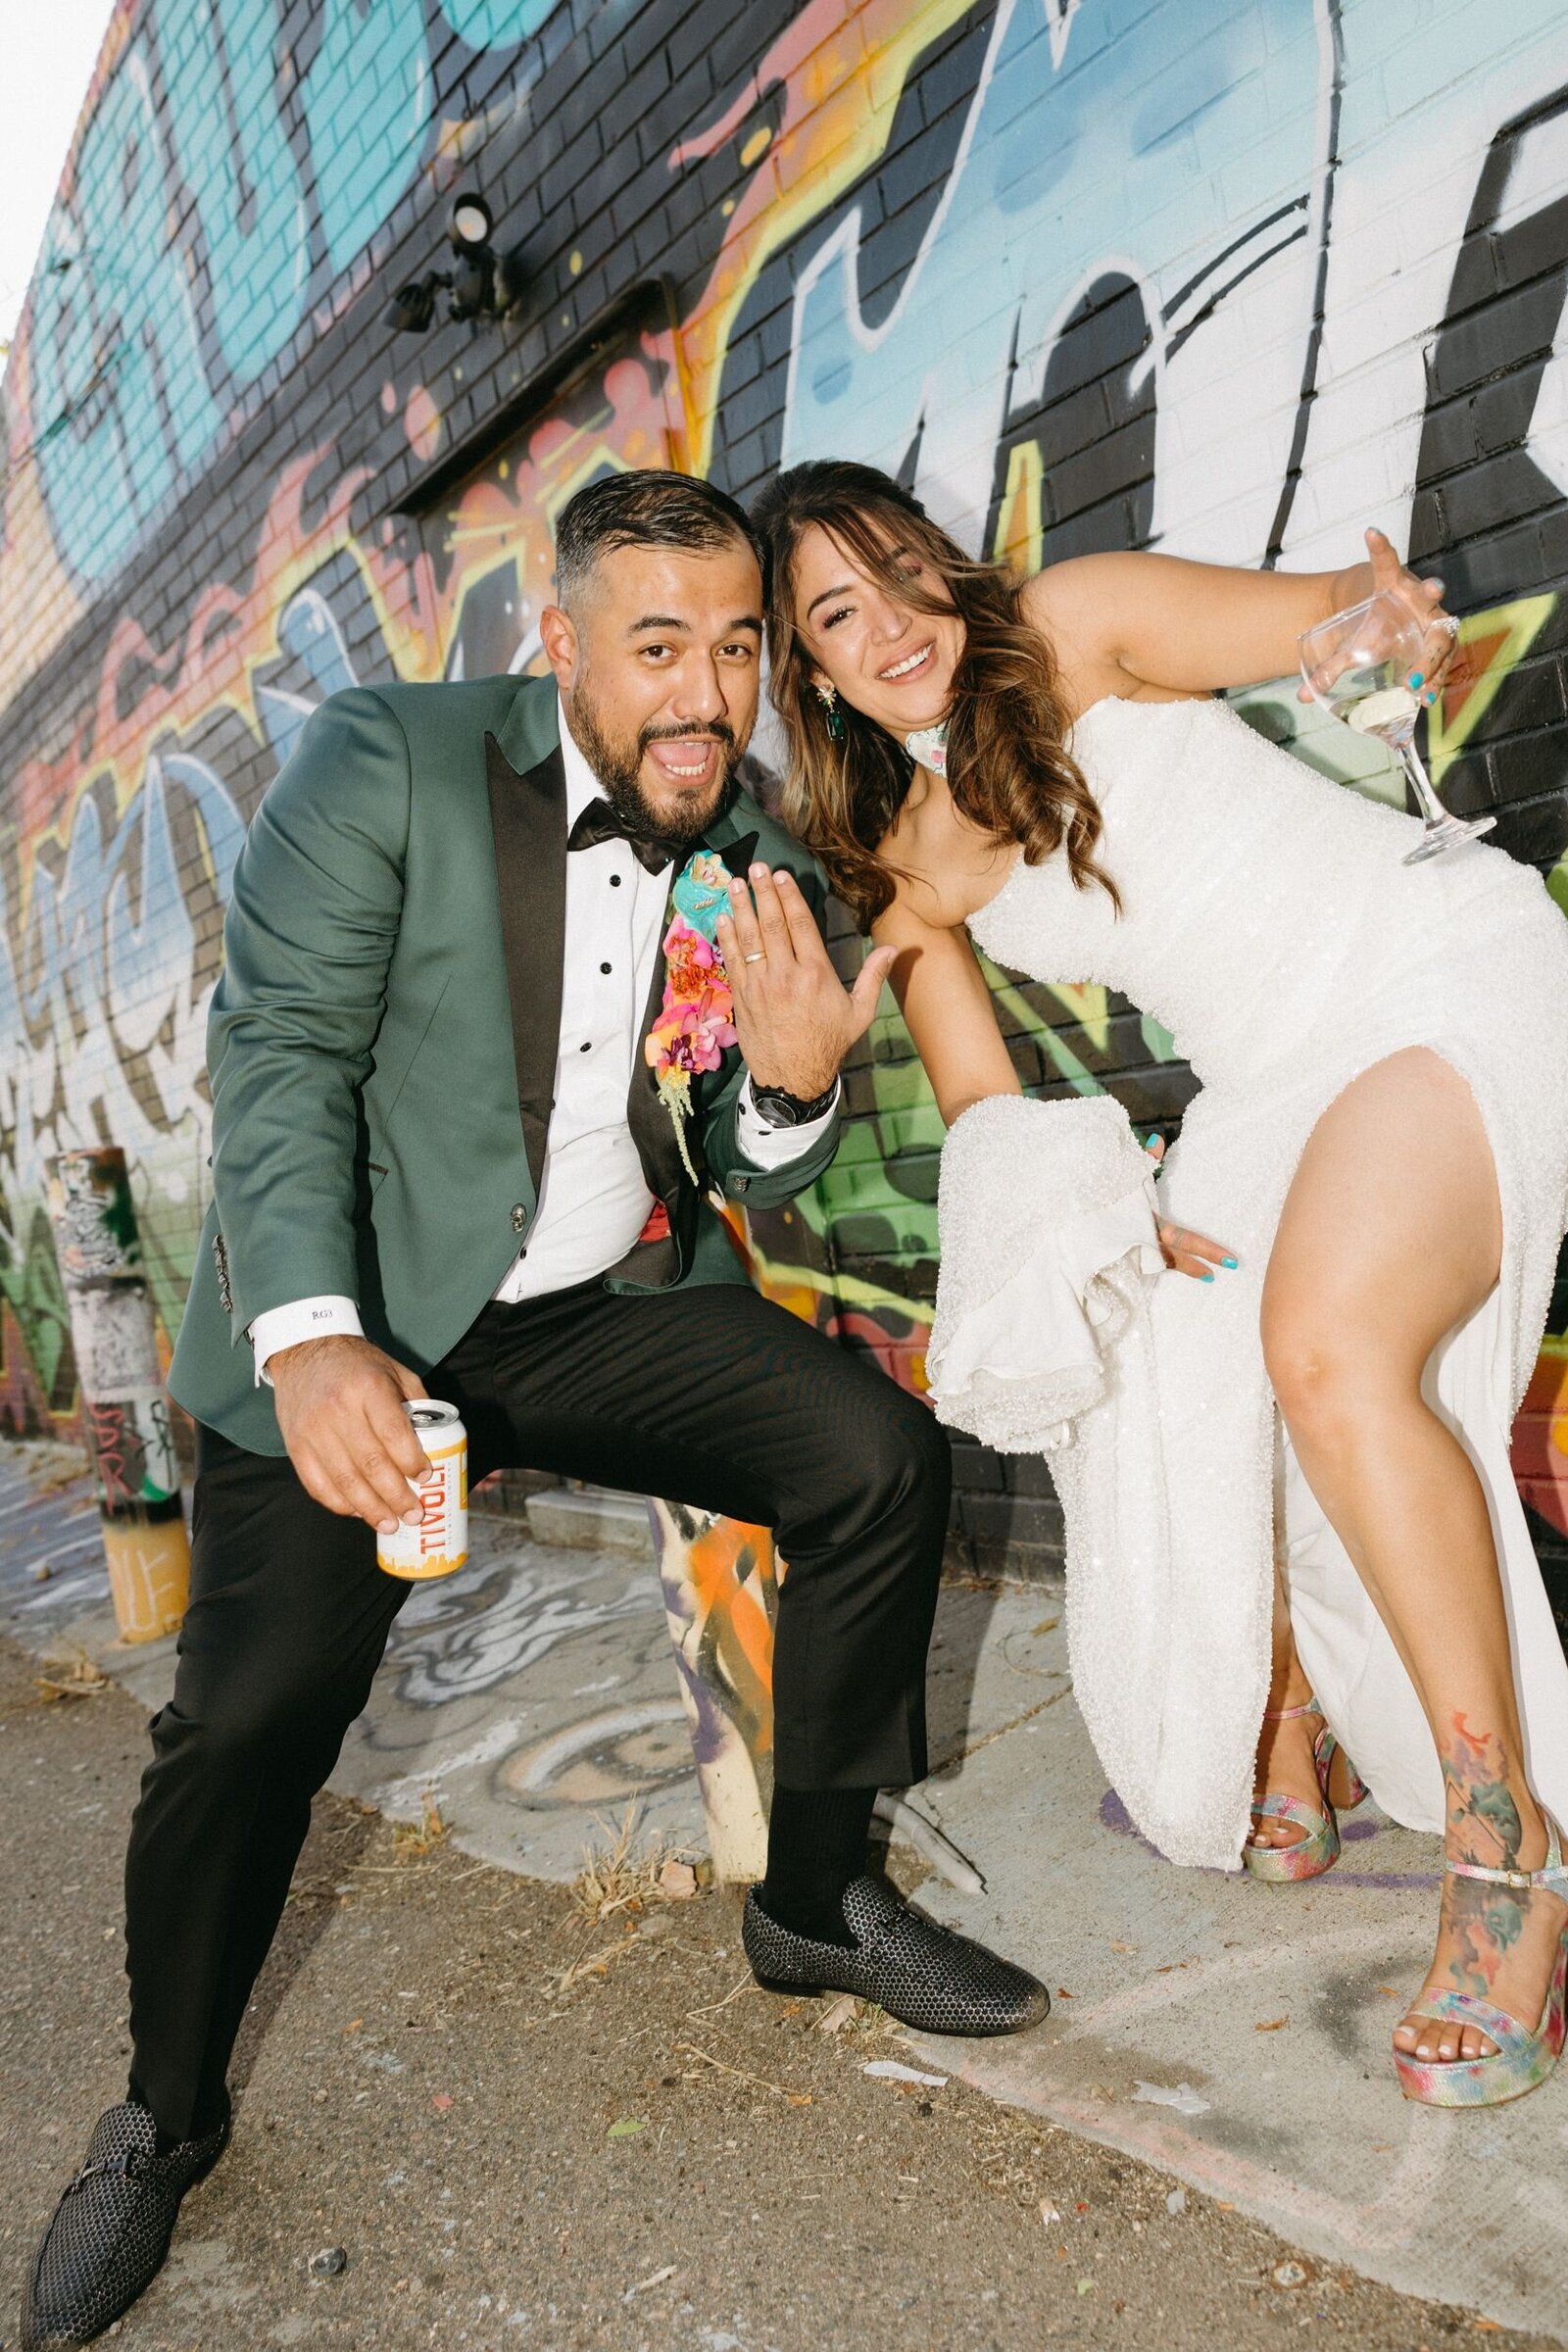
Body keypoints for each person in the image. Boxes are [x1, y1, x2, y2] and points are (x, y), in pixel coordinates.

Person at [22, 470, 1050, 2352]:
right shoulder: (387, 760)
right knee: (249, 1720)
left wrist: (802, 1089)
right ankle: (160, 2123)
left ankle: (814, 1896)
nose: (705, 692)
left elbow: (738, 1143)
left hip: (593, 1311)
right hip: (366, 1319)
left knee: (875, 1464)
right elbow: (283, 1057)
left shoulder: (748, 847)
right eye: (659, 644)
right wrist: (317, 1339)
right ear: (558, 640)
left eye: (738, 646)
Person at [751, 457, 1568, 2111]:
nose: (893, 625)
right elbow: (989, 1112)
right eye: (840, 613)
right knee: (1162, 1340)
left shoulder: (1075, 621)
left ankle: (1507, 1856)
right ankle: (1289, 1709)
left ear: (950, 567)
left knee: (1327, 1348)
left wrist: (1369, 634)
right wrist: (1090, 1198)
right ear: (813, 673)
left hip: (1431, 966)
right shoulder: (907, 860)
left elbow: (1321, 622)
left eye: (904, 573)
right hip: (1263, 1088)